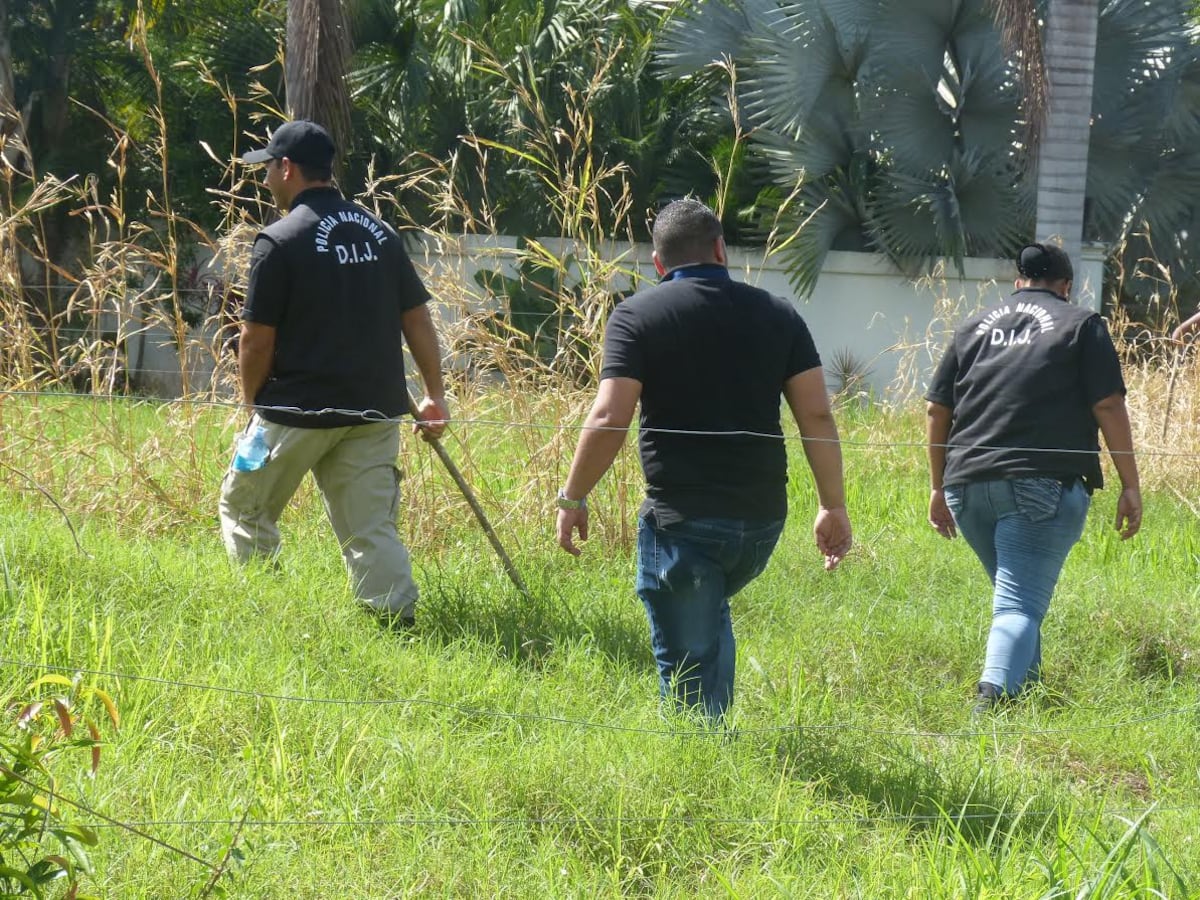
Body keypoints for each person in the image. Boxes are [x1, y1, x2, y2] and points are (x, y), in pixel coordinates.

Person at [555, 199, 852, 721]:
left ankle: (699, 770)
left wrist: (573, 497)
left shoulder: (636, 316)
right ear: (720, 249)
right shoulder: (778, 313)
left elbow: (608, 418)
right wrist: (833, 506)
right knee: (708, 619)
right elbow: (817, 418)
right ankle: (717, 740)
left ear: (659, 265)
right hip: (761, 524)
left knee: (686, 666)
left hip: (684, 524)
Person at [219, 120, 448, 628]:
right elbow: (417, 318)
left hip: (295, 410)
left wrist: (251, 402)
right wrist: (435, 394)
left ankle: (264, 620)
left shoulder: (278, 240)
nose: (264, 183)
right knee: (369, 527)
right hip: (375, 409)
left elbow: (256, 339)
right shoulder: (381, 235)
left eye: (267, 171)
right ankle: (394, 623)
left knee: (244, 509)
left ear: (287, 168)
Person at [926, 242, 1142, 715]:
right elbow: (1107, 404)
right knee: (1018, 606)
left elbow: (937, 409)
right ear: (1066, 287)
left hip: (966, 484)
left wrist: (938, 486)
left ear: (1017, 283)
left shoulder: (972, 328)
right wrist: (1131, 484)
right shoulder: (1081, 323)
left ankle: (1029, 700)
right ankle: (989, 711)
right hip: (1038, 485)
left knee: (1017, 597)